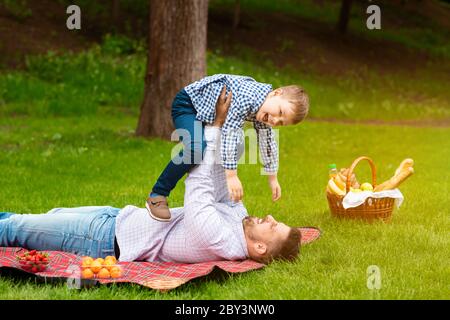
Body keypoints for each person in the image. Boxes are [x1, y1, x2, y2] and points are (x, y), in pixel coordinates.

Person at [0, 98, 301, 264]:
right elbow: (219, 182)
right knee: (39, 218)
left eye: (273, 226)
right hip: (117, 217)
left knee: (16, 229)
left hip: (102, 241)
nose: (271, 217)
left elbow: (198, 184)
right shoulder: (239, 219)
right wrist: (229, 136)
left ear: (260, 248)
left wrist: (217, 125)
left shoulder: (220, 240)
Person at [147, 73, 309, 222]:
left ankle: (217, 200)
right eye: (280, 111)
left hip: (208, 114)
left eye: (281, 122)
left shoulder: (264, 108)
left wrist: (272, 178)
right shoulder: (246, 97)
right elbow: (229, 134)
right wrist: (231, 176)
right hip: (189, 106)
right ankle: (158, 193)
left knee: (229, 147)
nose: (275, 120)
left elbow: (268, 142)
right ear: (276, 93)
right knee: (196, 149)